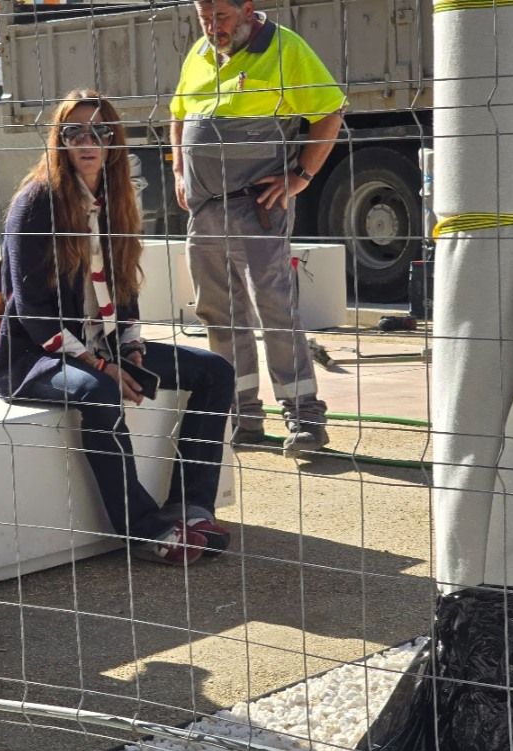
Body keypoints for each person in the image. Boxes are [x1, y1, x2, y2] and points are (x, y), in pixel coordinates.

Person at [0, 89, 235, 567]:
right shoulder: (36, 201)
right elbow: (32, 310)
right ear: (59, 140)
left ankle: (191, 507)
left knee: (215, 372)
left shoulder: (117, 198)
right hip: (36, 356)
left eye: (99, 131)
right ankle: (144, 529)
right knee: (99, 391)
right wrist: (99, 362)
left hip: (101, 346)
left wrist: (131, 347)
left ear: (114, 141)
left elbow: (125, 289)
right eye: (74, 131)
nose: (88, 140)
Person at [172, 0, 346, 456]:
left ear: (248, 9)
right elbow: (178, 113)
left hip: (257, 209)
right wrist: (177, 170)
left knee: (274, 307)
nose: (213, 28)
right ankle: (240, 414)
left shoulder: (285, 49)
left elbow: (329, 111)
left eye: (222, 18)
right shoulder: (199, 54)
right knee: (218, 313)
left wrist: (300, 177)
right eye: (205, 19)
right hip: (205, 211)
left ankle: (304, 416)